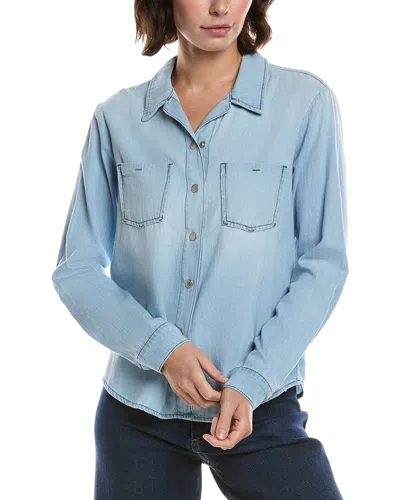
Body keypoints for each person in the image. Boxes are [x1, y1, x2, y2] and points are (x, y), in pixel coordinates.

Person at [51, 0, 348, 498]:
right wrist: (164, 351)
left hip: (258, 406)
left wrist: (253, 379)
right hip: (136, 417)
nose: (220, 6)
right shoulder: (117, 119)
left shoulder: (304, 105)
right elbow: (76, 269)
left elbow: (324, 263)